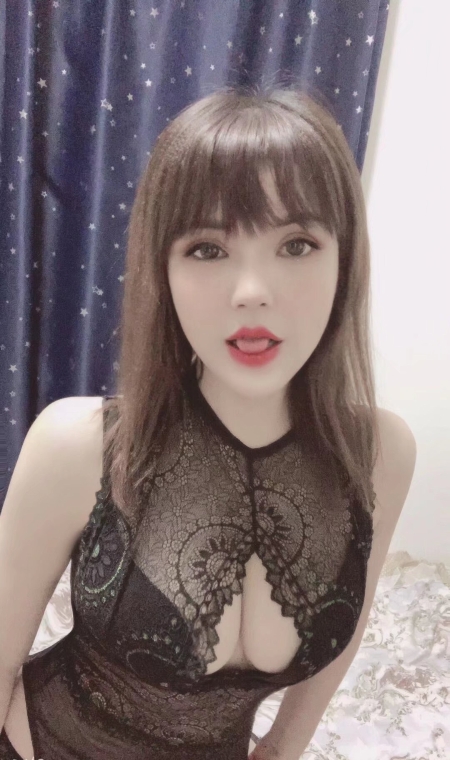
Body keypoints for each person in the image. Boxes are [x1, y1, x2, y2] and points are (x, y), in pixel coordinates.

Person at [0, 83, 416, 760]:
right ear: (162, 271)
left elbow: (354, 619)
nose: (252, 291)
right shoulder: (80, 446)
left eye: (297, 244)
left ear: (345, 260)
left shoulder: (377, 453)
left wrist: (282, 747)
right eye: (207, 249)